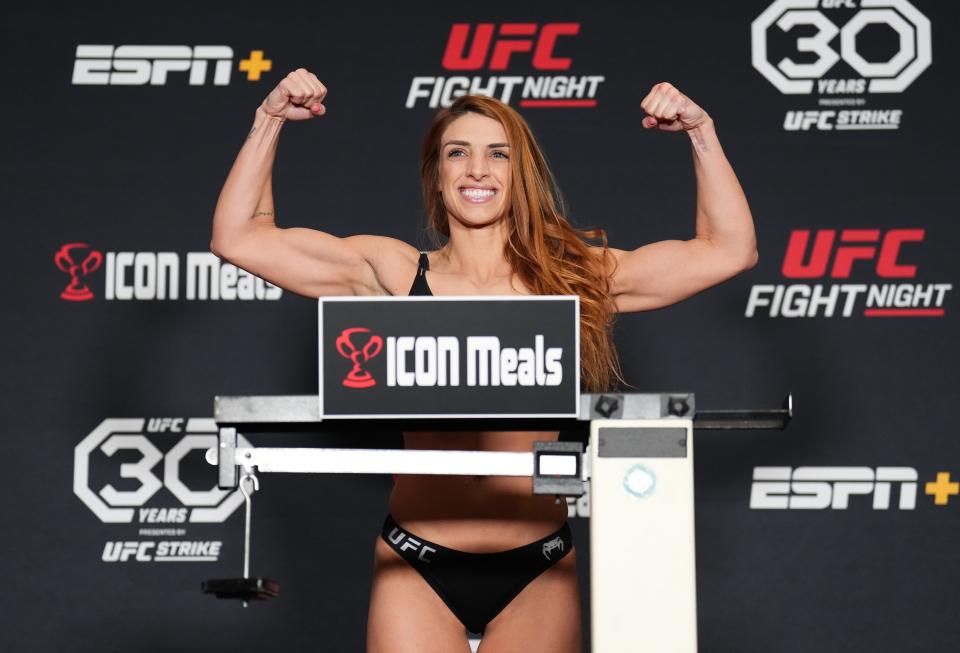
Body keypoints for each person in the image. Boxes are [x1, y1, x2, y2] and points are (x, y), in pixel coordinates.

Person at [211, 68, 757, 653]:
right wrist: (268, 119)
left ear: (518, 174)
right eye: (458, 153)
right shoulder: (395, 274)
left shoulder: (569, 279)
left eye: (497, 154)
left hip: (537, 566)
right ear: (436, 174)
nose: (477, 169)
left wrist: (701, 131)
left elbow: (729, 250)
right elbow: (238, 236)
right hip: (414, 562)